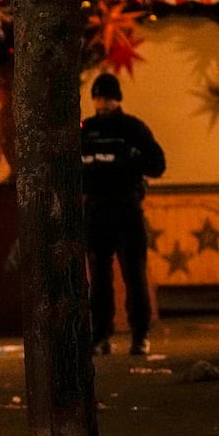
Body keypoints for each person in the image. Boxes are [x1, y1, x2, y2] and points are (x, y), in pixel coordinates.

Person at [80, 73, 167, 356]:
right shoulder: (85, 130)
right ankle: (101, 334)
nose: (102, 103)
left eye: (107, 98)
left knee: (134, 275)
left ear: (117, 99)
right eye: (98, 97)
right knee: (99, 278)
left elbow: (157, 164)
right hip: (95, 210)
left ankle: (139, 334)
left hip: (126, 209)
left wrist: (133, 161)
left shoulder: (132, 129)